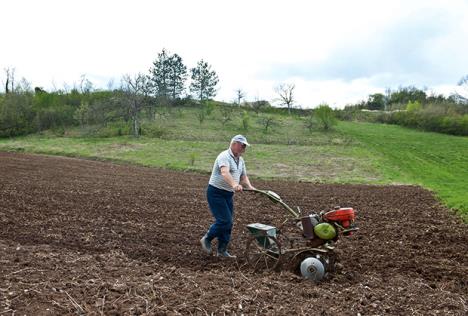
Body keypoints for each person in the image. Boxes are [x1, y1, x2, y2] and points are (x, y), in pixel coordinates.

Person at [200, 134, 255, 258]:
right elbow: (224, 173)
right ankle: (207, 238)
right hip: (216, 192)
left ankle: (222, 251)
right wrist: (234, 184)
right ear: (234, 144)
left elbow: (243, 177)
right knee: (225, 220)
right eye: (243, 146)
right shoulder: (224, 156)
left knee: (228, 223)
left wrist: (250, 187)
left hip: (227, 194)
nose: (244, 148)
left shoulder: (240, 160)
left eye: (245, 146)